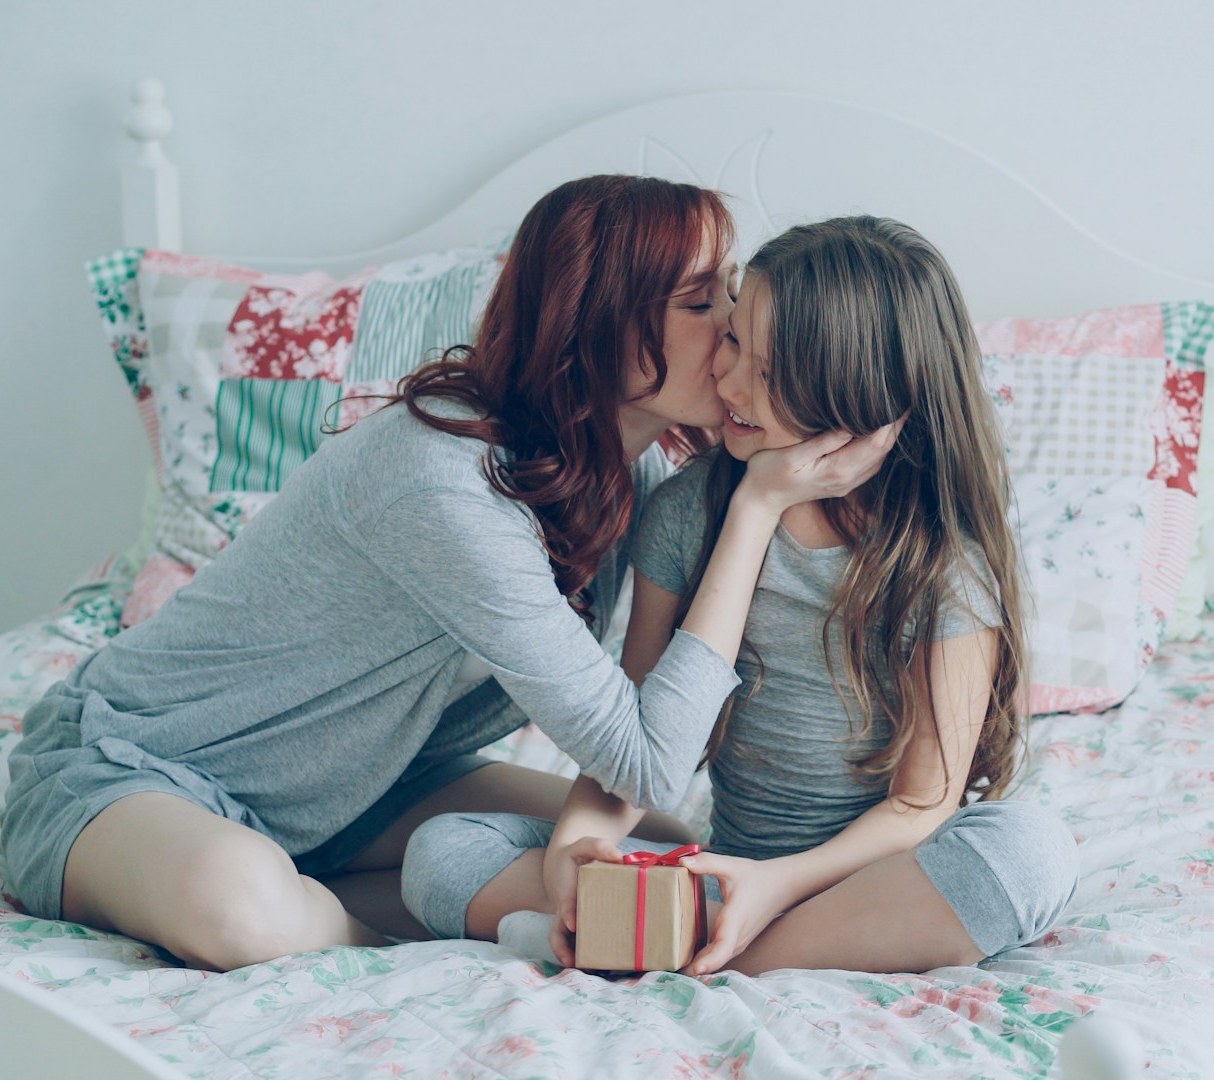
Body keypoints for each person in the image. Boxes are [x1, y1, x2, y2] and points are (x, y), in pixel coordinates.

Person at [1, 176, 896, 972]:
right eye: (702, 302)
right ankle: (378, 936)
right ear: (596, 321)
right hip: (144, 768)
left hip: (361, 789)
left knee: (659, 851)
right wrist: (754, 511)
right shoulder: (442, 479)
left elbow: (646, 784)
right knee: (240, 909)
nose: (738, 328)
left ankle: (336, 892)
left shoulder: (640, 478)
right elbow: (649, 756)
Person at [401, 216, 1078, 976]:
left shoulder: (941, 562)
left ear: (858, 392)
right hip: (728, 865)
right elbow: (635, 741)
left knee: (1026, 855)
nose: (728, 383)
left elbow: (922, 806)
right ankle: (694, 936)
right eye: (732, 342)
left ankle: (685, 946)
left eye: (768, 369)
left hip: (865, 881)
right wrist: (570, 854)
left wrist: (775, 885)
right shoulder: (691, 510)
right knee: (442, 852)